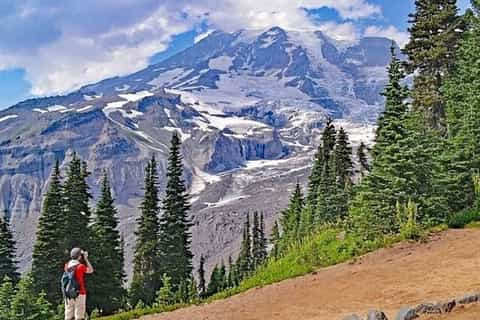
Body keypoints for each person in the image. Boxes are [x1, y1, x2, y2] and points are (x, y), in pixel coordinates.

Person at [64, 247, 94, 320]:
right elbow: (91, 270)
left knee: (68, 316)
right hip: (80, 292)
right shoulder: (80, 266)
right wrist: (86, 259)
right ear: (80, 256)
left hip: (68, 293)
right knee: (79, 316)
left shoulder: (66, 265)